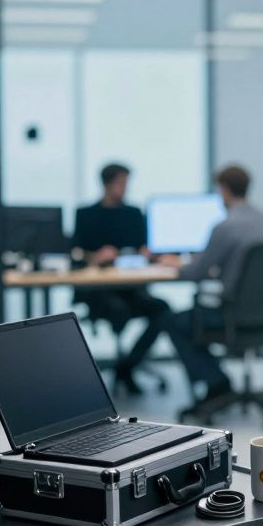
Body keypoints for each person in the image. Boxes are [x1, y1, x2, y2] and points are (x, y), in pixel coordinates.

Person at [162, 165, 263, 421]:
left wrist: (174, 264)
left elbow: (196, 273)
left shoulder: (226, 227)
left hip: (232, 314)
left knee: (173, 321)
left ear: (223, 190)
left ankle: (217, 384)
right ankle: (219, 383)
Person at [72, 162, 172, 395]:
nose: (125, 188)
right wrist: (95, 257)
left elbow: (142, 247)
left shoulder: (133, 213)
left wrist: (147, 253)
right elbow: (74, 252)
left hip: (132, 287)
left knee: (163, 311)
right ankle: (124, 369)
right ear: (107, 184)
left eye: (127, 183)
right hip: (100, 292)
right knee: (118, 310)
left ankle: (127, 366)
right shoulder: (86, 214)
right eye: (121, 183)